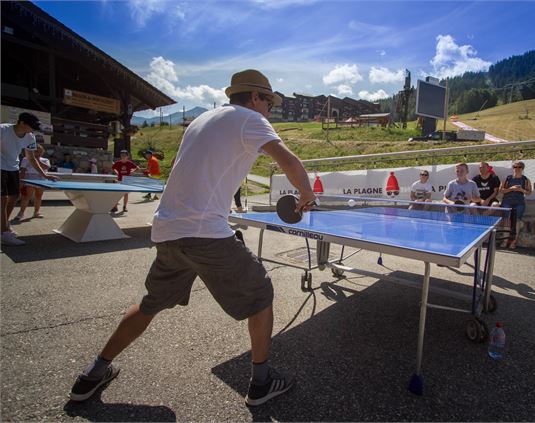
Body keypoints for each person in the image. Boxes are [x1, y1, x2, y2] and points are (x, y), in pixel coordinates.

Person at [69, 69, 316, 406]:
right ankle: (261, 383)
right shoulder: (249, 118)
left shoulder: (204, 120)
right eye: (269, 101)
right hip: (205, 234)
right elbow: (289, 161)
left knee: (149, 303)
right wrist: (307, 196)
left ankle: (92, 374)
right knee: (261, 293)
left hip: (168, 231)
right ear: (255, 97)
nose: (270, 109)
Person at [1, 112, 57, 246]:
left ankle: (4, 225)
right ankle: (4, 232)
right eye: (31, 126)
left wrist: (44, 175)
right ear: (21, 123)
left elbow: (31, 158)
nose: (33, 129)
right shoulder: (3, 129)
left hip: (13, 167)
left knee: (14, 197)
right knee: (2, 199)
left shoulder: (30, 137)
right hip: (0, 166)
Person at [500, 160, 532, 249]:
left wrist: (521, 190)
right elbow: (501, 190)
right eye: (515, 167)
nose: (517, 169)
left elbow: (529, 192)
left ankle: (513, 242)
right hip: (507, 201)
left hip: (519, 203)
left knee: (517, 222)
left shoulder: (525, 179)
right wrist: (511, 189)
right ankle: (505, 240)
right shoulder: (507, 178)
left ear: (522, 168)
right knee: (506, 221)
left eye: (519, 167)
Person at [15, 144, 50, 220]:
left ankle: (36, 212)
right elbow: (22, 170)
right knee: (27, 196)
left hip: (41, 179)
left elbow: (46, 167)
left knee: (39, 196)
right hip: (29, 179)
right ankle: (21, 213)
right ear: (32, 151)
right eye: (36, 151)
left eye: (40, 152)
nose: (38, 153)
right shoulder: (25, 159)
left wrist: (36, 160)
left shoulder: (45, 160)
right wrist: (21, 181)